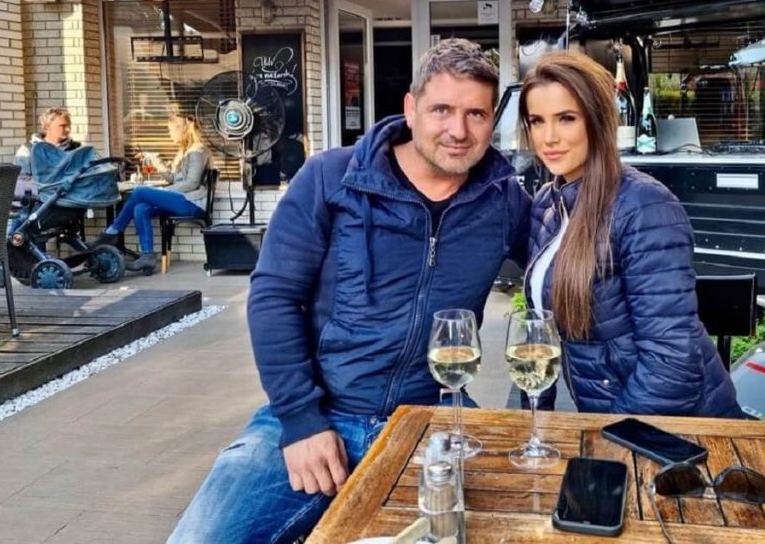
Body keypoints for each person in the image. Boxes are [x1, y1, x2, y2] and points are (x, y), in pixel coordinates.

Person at [168, 38, 529, 543]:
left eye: (476, 114)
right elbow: (274, 297)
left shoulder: (504, 200)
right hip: (319, 411)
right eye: (442, 110)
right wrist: (301, 421)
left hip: (434, 417)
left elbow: (569, 264)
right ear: (411, 108)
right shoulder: (331, 178)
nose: (458, 130)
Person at [519, 51, 741, 418]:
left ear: (598, 120)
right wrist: (536, 421)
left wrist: (610, 435)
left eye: (567, 118)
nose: (549, 137)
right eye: (537, 121)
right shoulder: (547, 203)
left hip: (678, 428)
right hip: (609, 419)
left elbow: (673, 363)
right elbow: (538, 334)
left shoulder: (643, 206)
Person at [91, 113, 209, 272]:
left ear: (182, 129)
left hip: (193, 203)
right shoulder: (185, 151)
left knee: (140, 192)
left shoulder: (197, 151)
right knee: (141, 207)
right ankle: (147, 256)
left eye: (171, 130)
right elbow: (174, 179)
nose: (169, 134)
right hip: (182, 199)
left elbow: (192, 183)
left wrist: (162, 191)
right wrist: (155, 160)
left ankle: (112, 232)